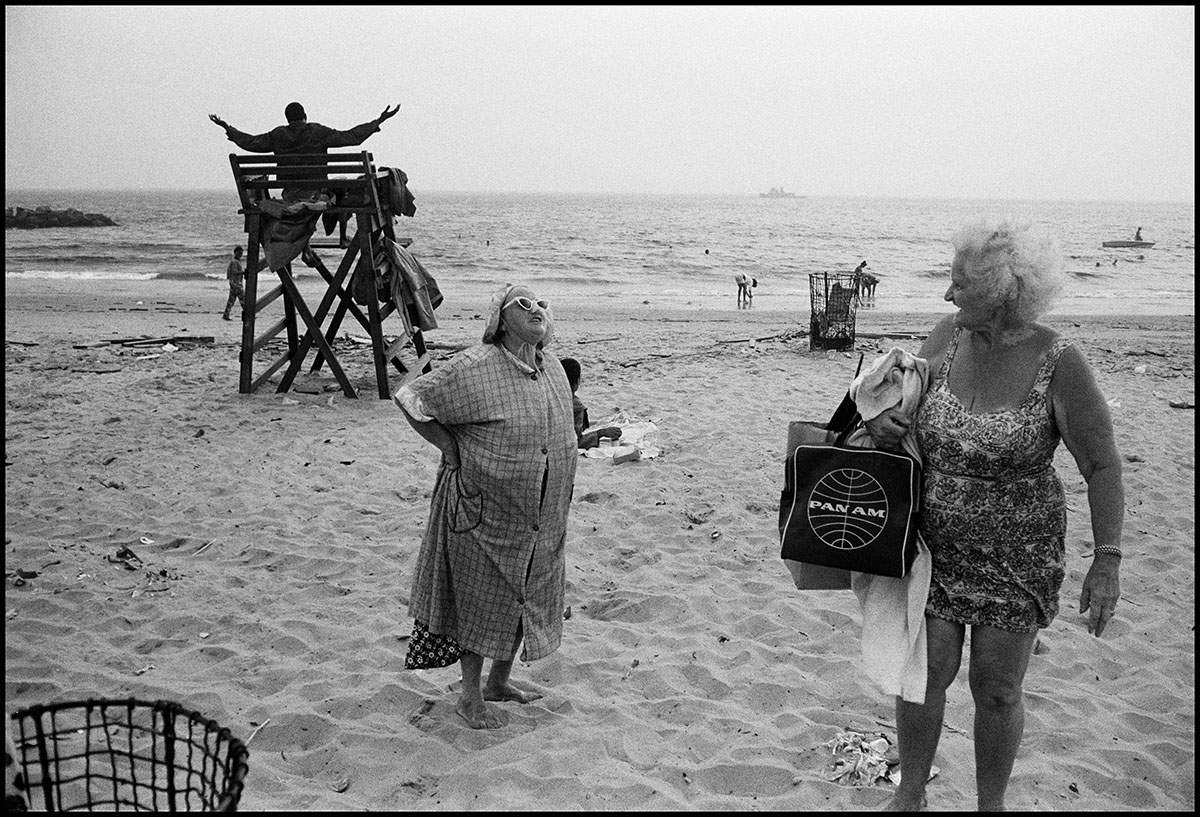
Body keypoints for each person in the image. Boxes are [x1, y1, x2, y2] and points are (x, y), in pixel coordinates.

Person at [865, 219, 1124, 811]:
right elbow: (890, 411)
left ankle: (990, 805)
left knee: (997, 687)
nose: (947, 296)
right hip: (934, 546)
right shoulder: (945, 338)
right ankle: (910, 796)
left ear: (1003, 291)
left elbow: (1104, 467)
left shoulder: (1059, 361)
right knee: (925, 673)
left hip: (1018, 555)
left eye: (960, 285)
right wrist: (880, 422)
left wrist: (1106, 559)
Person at [393, 283, 577, 729]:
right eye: (524, 303)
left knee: (525, 593)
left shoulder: (551, 366)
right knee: (483, 598)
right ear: (499, 317)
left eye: (542, 304)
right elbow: (411, 397)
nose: (537, 309)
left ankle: (499, 682)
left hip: (542, 517)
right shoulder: (476, 365)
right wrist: (448, 448)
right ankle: (470, 696)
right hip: (485, 512)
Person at [208, 102, 400, 200]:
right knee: (343, 189)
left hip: (289, 192)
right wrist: (379, 120)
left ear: (287, 119)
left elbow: (250, 143)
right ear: (305, 116)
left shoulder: (277, 134)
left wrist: (227, 127)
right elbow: (351, 137)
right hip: (316, 191)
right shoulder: (318, 131)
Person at [559, 357, 621, 449]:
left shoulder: (549, 398)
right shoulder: (575, 406)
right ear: (576, 382)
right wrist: (601, 433)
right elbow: (574, 442)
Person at [222, 245, 245, 321]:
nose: (240, 254)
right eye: (239, 253)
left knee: (231, 300)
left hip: (234, 283)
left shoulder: (236, 261)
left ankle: (226, 314)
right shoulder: (234, 262)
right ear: (235, 253)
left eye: (241, 253)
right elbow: (234, 272)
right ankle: (248, 314)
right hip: (236, 283)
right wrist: (243, 272)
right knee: (243, 299)